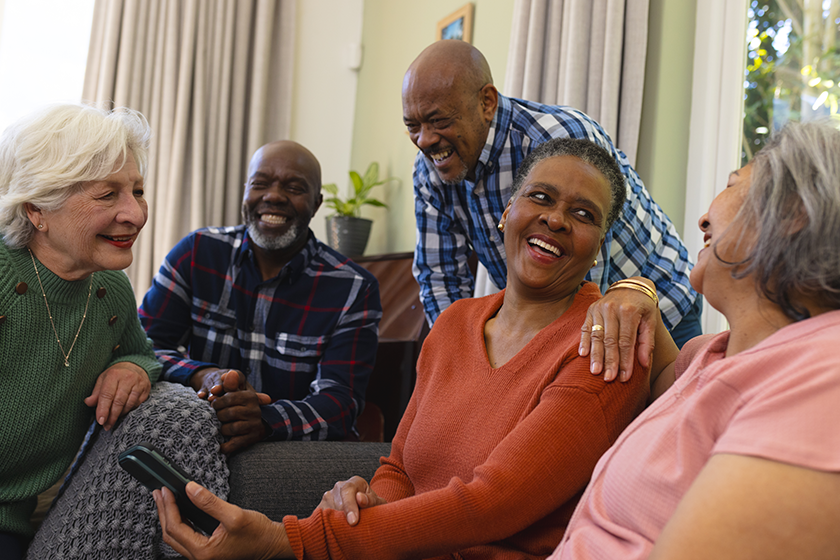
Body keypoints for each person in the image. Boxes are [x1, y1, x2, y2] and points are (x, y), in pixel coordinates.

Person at [153, 137, 655, 560]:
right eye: (541, 198)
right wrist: (368, 499)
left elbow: (492, 504)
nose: (557, 219)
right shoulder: (455, 323)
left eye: (583, 213)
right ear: (507, 214)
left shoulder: (607, 342)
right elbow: (401, 469)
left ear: (599, 244)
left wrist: (290, 540)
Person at [550, 120, 840, 559]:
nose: (704, 217)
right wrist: (638, 289)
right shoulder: (718, 352)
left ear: (792, 213)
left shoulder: (821, 378)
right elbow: (666, 375)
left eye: (732, 185)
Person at [405, 40, 700, 379]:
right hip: (568, 321)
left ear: (486, 102)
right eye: (413, 126)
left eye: (438, 120)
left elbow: (586, 281)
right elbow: (440, 276)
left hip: (662, 309)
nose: (425, 140)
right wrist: (458, 365)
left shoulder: (559, 138)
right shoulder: (431, 165)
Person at [139, 140, 382, 454]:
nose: (273, 196)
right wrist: (202, 374)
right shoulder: (197, 253)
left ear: (317, 203)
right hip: (197, 436)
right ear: (245, 192)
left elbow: (339, 402)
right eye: (260, 184)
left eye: (294, 187)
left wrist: (267, 419)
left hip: (289, 451)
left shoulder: (354, 288)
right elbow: (144, 347)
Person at [0, 104, 161, 559]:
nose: (134, 214)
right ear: (37, 208)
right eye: (107, 195)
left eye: (138, 190)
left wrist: (134, 366)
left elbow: (144, 351)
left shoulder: (110, 289)